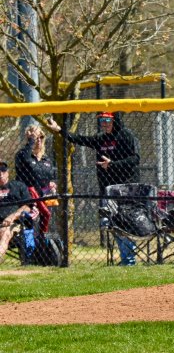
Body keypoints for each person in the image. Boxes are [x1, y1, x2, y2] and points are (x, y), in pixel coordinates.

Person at [47, 112, 141, 265]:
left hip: (126, 187)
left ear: (115, 120)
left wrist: (112, 164)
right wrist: (59, 130)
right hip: (108, 189)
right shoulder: (101, 138)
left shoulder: (126, 135)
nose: (104, 123)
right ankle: (127, 258)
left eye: (107, 119)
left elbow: (135, 159)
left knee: (125, 223)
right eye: (102, 120)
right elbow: (81, 139)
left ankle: (129, 259)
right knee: (113, 223)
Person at [0, 161, 33, 263]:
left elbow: (27, 207)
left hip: (12, 223)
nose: (0, 173)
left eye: (3, 170)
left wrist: (12, 216)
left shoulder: (18, 186)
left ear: (7, 172)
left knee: (4, 232)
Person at [15, 124, 58, 198]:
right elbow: (25, 160)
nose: (39, 140)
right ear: (29, 138)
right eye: (36, 137)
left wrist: (52, 184)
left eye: (41, 137)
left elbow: (53, 177)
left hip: (45, 196)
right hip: (28, 197)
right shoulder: (22, 154)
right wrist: (31, 141)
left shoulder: (46, 158)